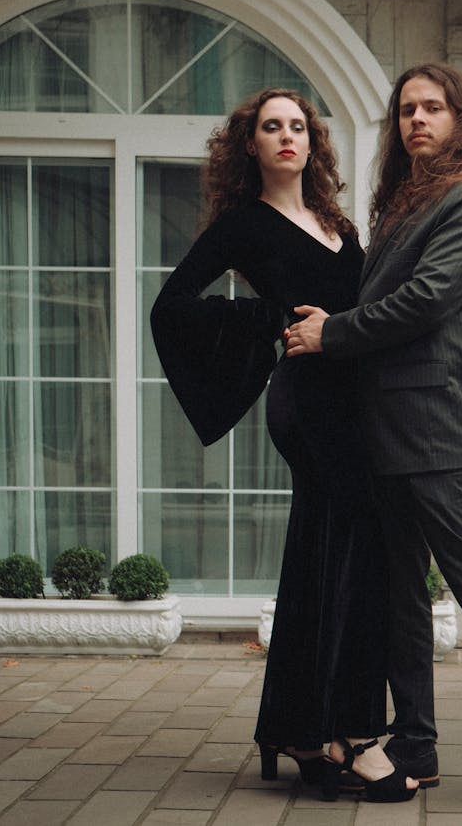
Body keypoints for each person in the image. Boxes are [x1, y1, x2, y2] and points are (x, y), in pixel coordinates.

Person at [286, 63, 462, 814]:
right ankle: (414, 740)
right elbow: (416, 300)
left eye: (433, 108)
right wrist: (338, 315)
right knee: (402, 596)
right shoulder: (403, 208)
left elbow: (428, 298)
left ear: (459, 119)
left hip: (437, 428)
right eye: (407, 109)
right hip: (385, 425)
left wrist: (334, 334)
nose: (417, 119)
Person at [150, 88, 420, 803]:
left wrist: (449, 324)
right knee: (352, 559)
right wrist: (270, 319)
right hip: (309, 407)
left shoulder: (336, 222)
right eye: (271, 127)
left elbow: (372, 309)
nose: (287, 136)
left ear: (313, 143)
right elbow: (171, 306)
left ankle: (301, 729)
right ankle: (354, 737)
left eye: (298, 126)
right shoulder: (243, 225)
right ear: (250, 145)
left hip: (355, 405)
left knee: (328, 559)